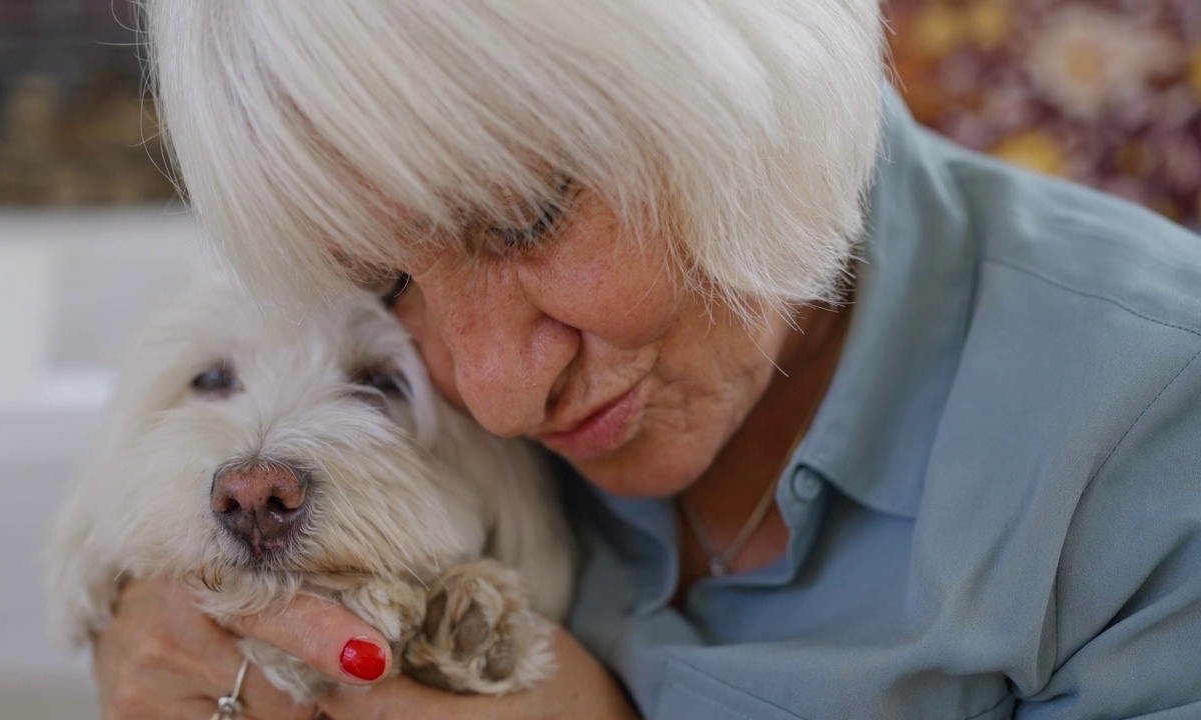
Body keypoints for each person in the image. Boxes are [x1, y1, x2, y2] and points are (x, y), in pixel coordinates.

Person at [92, 1, 1201, 718]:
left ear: (744, 103)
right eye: (389, 285)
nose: (495, 392)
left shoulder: (1149, 421)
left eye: (526, 220)